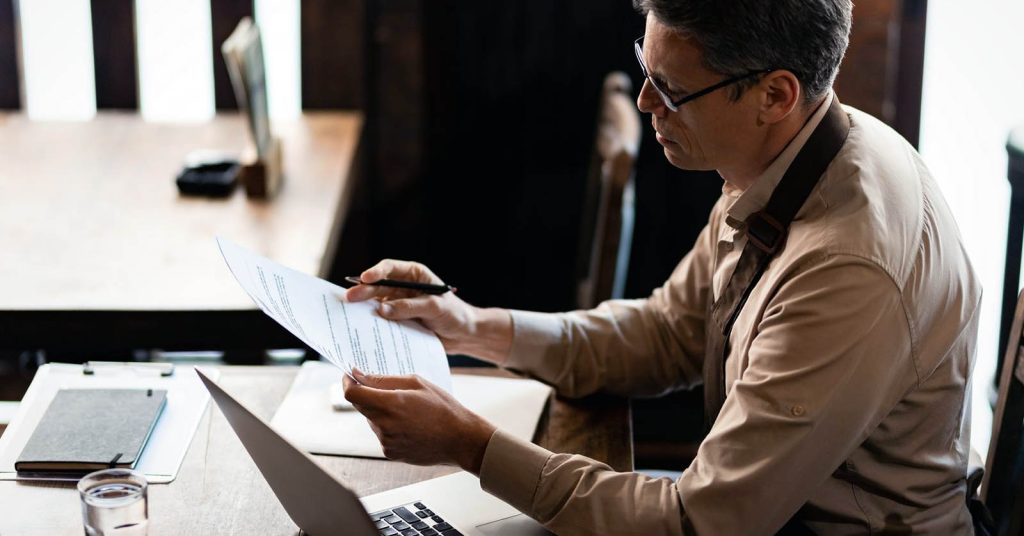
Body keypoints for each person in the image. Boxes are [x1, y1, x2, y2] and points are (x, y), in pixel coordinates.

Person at [342, 0, 982, 533]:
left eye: (673, 90)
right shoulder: (790, 156)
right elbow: (667, 332)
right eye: (647, 68)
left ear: (774, 95)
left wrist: (469, 445)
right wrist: (469, 326)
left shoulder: (846, 266)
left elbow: (699, 524)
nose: (648, 101)